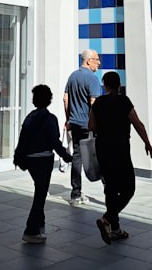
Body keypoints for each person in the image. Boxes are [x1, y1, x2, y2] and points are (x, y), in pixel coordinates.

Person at [88, 71, 152, 245]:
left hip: (103, 148)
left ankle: (115, 228)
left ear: (105, 85)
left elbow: (91, 125)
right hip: (120, 149)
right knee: (128, 188)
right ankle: (107, 219)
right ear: (119, 85)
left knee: (110, 187)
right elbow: (137, 124)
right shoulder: (124, 101)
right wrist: (147, 143)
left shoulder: (98, 102)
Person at [13, 85, 72, 244]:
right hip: (44, 160)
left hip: (30, 159)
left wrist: (18, 157)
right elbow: (54, 142)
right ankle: (31, 230)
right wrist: (66, 156)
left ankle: (40, 225)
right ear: (49, 99)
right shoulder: (50, 118)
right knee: (40, 195)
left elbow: (22, 139)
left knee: (40, 190)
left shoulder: (30, 117)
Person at [63, 48, 102, 205]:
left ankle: (75, 194)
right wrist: (96, 124)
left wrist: (68, 119)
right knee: (100, 155)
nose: (99, 63)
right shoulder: (92, 79)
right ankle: (110, 192)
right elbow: (94, 103)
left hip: (75, 124)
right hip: (89, 125)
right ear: (88, 60)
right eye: (96, 59)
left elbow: (65, 99)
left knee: (77, 157)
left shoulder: (73, 76)